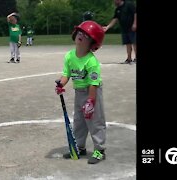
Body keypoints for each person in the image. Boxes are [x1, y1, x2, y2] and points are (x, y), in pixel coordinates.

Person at [55, 20, 106, 164]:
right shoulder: (69, 56)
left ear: (93, 43)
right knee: (79, 121)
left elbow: (93, 83)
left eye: (86, 35)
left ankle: (99, 149)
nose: (81, 36)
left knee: (95, 121)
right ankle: (79, 146)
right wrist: (61, 83)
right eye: (79, 32)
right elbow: (66, 74)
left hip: (92, 92)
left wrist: (91, 101)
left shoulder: (91, 61)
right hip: (79, 92)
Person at [103, 0, 137, 64]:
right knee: (128, 43)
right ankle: (129, 59)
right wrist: (107, 27)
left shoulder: (129, 4)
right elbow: (115, 19)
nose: (114, 2)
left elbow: (135, 13)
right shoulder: (118, 9)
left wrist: (135, 24)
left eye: (115, 0)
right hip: (124, 29)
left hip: (132, 28)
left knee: (135, 43)